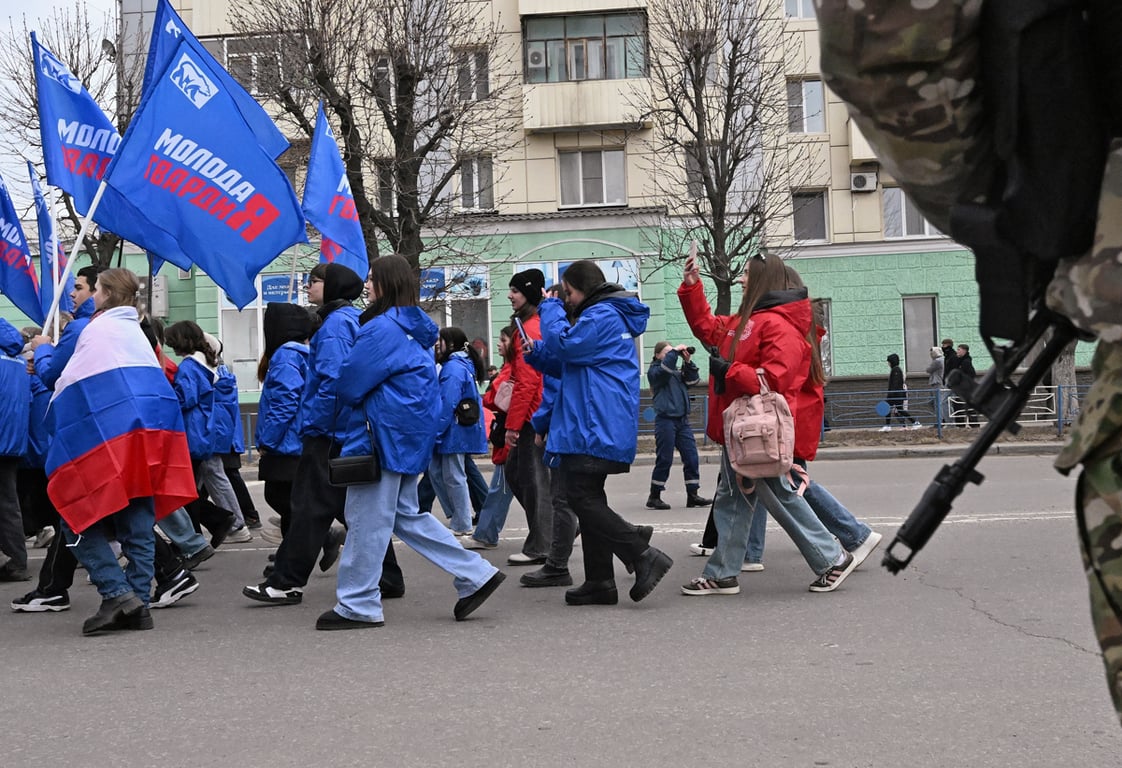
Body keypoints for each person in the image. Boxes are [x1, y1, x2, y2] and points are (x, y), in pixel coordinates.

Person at [318, 255, 504, 630]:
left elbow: (350, 384)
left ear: (387, 283)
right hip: (405, 438)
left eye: (372, 280)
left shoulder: (380, 329)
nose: (366, 286)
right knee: (405, 516)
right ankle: (476, 573)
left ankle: (358, 603)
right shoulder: (417, 329)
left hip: (380, 436)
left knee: (366, 518)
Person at [678, 252, 857, 596]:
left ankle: (832, 557)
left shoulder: (776, 324)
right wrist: (692, 286)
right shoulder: (753, 320)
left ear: (762, 280)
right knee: (734, 497)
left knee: (777, 494)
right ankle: (723, 573)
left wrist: (729, 371)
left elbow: (777, 378)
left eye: (747, 274)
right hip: (745, 429)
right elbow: (708, 327)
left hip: (756, 429)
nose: (741, 280)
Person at [44, 268, 197, 635]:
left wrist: (46, 350)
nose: (92, 294)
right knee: (137, 521)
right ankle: (139, 604)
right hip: (148, 436)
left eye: (95, 288)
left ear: (108, 292)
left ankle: (117, 594)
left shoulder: (96, 329)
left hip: (110, 437)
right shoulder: (136, 331)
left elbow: (68, 381)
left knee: (76, 514)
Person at [243, 263, 402, 605]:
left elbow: (332, 381)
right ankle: (388, 576)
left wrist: (317, 425)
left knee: (308, 508)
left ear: (331, 286)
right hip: (338, 429)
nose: (308, 286)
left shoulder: (333, 325)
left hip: (328, 431)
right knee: (352, 509)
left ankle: (286, 582)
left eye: (314, 281)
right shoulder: (344, 320)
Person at [528, 259, 672, 606]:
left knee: (580, 496)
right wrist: (538, 356)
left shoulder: (602, 315)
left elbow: (566, 346)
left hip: (593, 424)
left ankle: (642, 553)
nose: (568, 301)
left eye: (569, 293)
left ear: (580, 289)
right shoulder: (603, 317)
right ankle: (600, 581)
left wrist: (548, 307)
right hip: (595, 420)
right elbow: (570, 362)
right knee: (588, 494)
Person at [503, 268, 553, 566]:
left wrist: (513, 425)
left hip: (532, 417)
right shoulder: (531, 324)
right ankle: (555, 528)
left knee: (534, 481)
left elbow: (528, 381)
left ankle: (541, 545)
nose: (510, 295)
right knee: (519, 474)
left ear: (530, 295)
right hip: (535, 414)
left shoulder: (530, 329)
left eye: (516, 291)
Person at [254, 302, 312, 542]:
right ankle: (289, 558)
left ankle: (318, 539)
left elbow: (285, 403)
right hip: (296, 440)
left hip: (286, 443)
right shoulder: (299, 354)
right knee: (289, 499)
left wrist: (267, 439)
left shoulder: (286, 357)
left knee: (280, 497)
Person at [430, 326, 488, 536]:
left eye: (441, 341)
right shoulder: (460, 365)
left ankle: (461, 521)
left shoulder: (453, 368)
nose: (437, 345)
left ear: (451, 344)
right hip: (456, 429)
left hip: (453, 430)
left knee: (453, 475)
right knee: (440, 472)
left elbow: (448, 403)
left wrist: (437, 431)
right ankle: (458, 517)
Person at [463, 326, 518, 550]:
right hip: (508, 432)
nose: (498, 344)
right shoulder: (510, 367)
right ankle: (560, 525)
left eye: (503, 340)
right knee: (524, 488)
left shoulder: (513, 369)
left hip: (511, 433)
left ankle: (485, 534)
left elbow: (494, 398)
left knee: (501, 488)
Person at [646, 341, 711, 510]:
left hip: (682, 421)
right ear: (657, 355)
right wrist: (674, 352)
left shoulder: (675, 371)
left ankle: (693, 495)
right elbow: (665, 370)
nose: (671, 355)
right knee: (665, 458)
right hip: (665, 420)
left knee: (691, 457)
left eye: (671, 352)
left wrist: (687, 362)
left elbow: (693, 381)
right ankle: (654, 496)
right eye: (667, 353)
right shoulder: (655, 371)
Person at [0, 318, 30, 582]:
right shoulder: (18, 362)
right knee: (9, 505)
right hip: (12, 442)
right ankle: (17, 561)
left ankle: (9, 560)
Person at [881, 353, 921, 431]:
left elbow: (895, 384)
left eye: (889, 362)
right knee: (900, 410)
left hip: (896, 394)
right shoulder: (896, 369)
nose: (888, 364)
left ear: (892, 362)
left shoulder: (896, 370)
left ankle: (888, 426)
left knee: (887, 407)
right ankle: (915, 422)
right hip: (897, 394)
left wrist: (890, 394)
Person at [955, 344, 979, 427]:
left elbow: (972, 374)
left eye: (959, 349)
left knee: (962, 406)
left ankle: (970, 425)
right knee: (959, 405)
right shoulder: (961, 361)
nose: (957, 351)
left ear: (964, 351)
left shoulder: (966, 362)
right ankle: (963, 424)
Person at [926, 346, 946, 426]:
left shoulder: (937, 361)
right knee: (936, 402)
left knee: (937, 403)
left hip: (937, 383)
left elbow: (929, 370)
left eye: (932, 352)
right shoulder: (943, 360)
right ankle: (942, 419)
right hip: (939, 382)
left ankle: (940, 421)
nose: (931, 354)